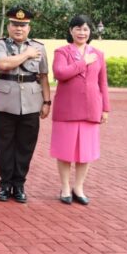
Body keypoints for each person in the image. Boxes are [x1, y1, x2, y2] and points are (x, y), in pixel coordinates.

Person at [0, 6, 50, 203]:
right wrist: (26, 54)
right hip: (5, 102)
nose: (19, 29)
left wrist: (47, 101)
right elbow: (2, 65)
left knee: (26, 145)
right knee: (4, 145)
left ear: (29, 28)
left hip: (32, 102)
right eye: (15, 25)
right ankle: (5, 184)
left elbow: (43, 76)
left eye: (23, 25)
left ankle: (19, 184)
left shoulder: (39, 47)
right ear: (8, 26)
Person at [51, 15, 110, 205]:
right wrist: (83, 62)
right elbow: (60, 73)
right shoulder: (62, 52)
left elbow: (103, 83)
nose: (82, 32)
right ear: (70, 31)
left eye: (85, 29)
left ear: (90, 32)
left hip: (91, 107)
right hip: (67, 108)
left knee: (86, 152)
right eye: (78, 28)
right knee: (65, 151)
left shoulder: (98, 54)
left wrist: (105, 108)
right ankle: (66, 187)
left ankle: (79, 187)